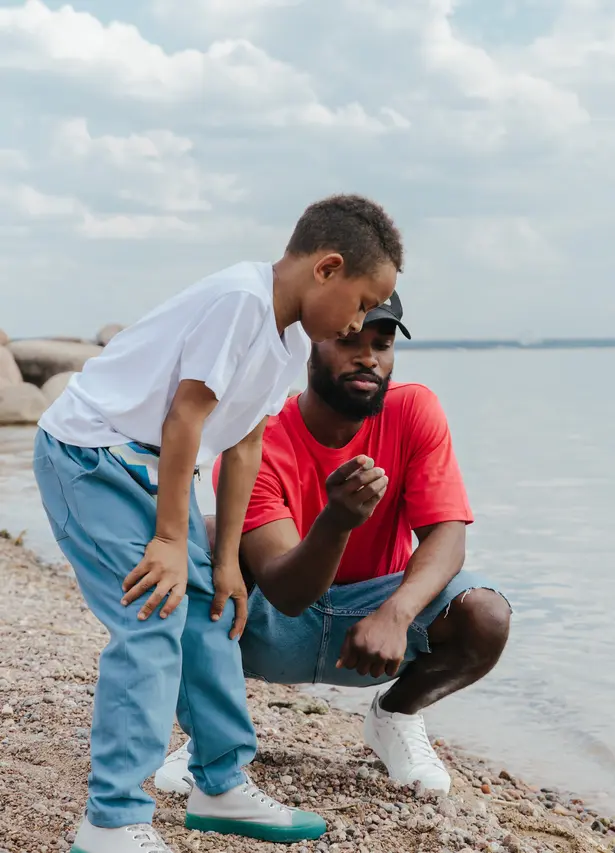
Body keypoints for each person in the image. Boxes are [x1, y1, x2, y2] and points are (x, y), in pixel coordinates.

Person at [33, 194, 403, 852]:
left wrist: (226, 558)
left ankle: (219, 781)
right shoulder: (242, 300)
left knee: (209, 609)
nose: (359, 319)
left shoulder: (293, 335)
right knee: (152, 613)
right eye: (361, 300)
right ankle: (110, 820)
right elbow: (185, 419)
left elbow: (244, 443)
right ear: (327, 268)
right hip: (92, 457)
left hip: (153, 468)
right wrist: (173, 541)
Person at [156, 292, 511, 800]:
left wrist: (397, 613)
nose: (368, 357)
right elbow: (287, 592)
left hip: (375, 630)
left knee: (486, 613)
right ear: (307, 347)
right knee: (208, 538)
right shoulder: (260, 437)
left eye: (382, 344)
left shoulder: (415, 409)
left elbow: (448, 536)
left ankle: (395, 716)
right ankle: (210, 734)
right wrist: (337, 521)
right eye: (348, 340)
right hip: (275, 625)